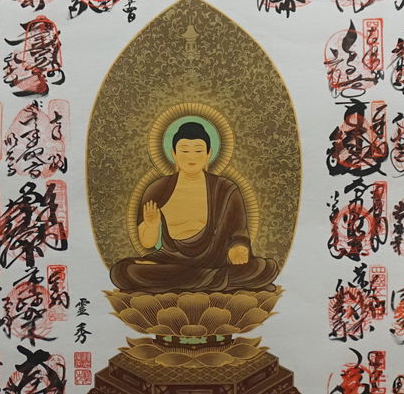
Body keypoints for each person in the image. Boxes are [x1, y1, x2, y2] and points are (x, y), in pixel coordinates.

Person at [109, 121, 279, 293]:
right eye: (184, 151)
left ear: (208, 154)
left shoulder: (226, 189)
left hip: (215, 260)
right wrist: (151, 226)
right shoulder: (157, 189)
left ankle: (193, 279)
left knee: (266, 268)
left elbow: (238, 234)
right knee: (123, 271)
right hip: (171, 259)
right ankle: (216, 279)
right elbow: (147, 243)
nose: (191, 157)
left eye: (198, 151)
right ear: (174, 154)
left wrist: (238, 250)